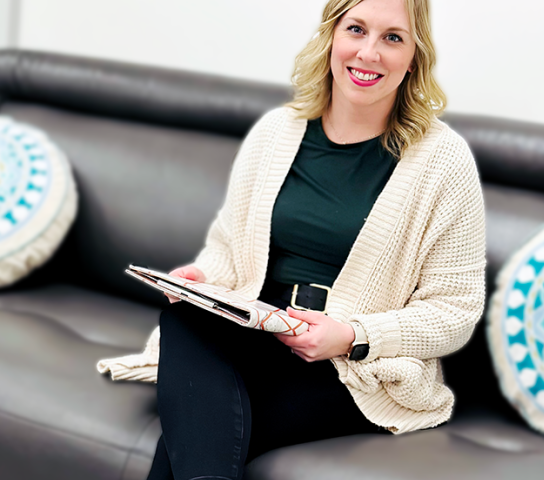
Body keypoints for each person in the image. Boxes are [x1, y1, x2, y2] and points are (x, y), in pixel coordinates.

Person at [98, 0, 486, 478]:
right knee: (184, 321)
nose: (368, 53)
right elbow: (227, 247)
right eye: (356, 29)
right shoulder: (276, 132)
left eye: (392, 37)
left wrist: (350, 336)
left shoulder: (444, 162)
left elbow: (454, 313)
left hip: (348, 366)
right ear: (331, 37)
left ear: (414, 56)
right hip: (258, 332)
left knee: (198, 435)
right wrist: (204, 278)